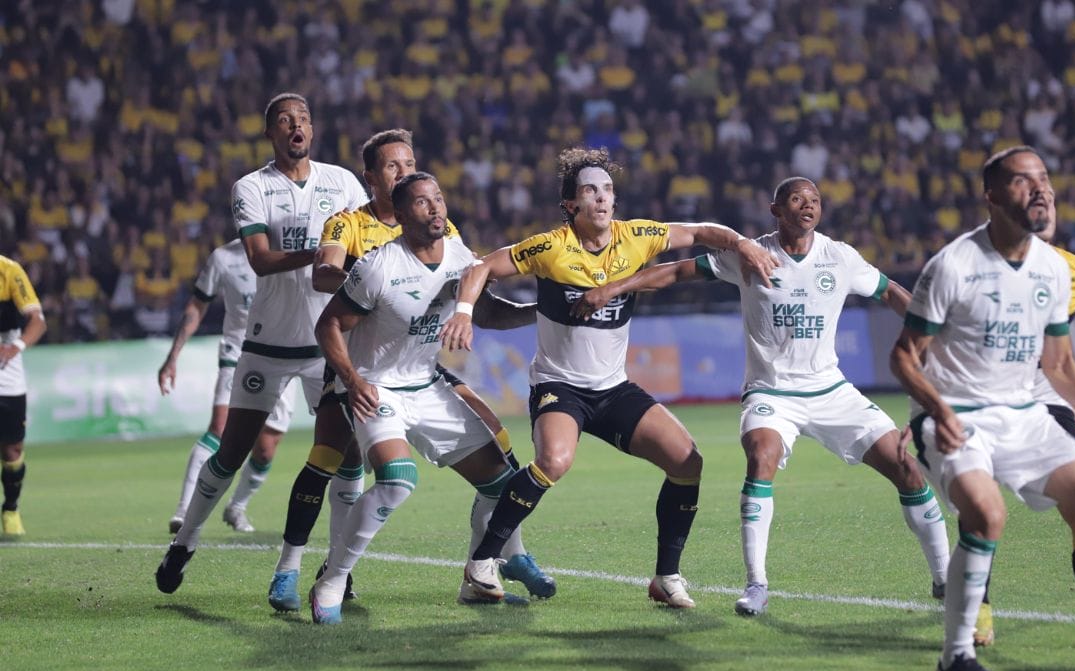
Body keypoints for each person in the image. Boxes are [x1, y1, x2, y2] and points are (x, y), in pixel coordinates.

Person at [570, 177, 950, 617]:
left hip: (832, 390)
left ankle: (944, 579)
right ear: (776, 209)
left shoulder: (839, 257)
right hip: (772, 392)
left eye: (815, 201)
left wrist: (927, 335)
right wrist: (610, 289)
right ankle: (757, 585)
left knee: (906, 468)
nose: (807, 206)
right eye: (796, 199)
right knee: (761, 456)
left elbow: (889, 291)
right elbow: (675, 271)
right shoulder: (750, 255)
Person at [439, 147, 778, 608]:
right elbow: (481, 266)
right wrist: (463, 312)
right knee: (554, 462)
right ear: (570, 205)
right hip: (560, 386)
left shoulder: (636, 236)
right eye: (589, 191)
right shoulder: (549, 247)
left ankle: (666, 577)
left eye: (607, 190)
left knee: (687, 462)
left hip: (613, 388)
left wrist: (742, 243)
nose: (601, 198)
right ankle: (481, 564)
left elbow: (699, 231)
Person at [889, 146, 1075, 671]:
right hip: (958, 415)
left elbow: (1058, 364)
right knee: (987, 513)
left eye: (1044, 179)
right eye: (1022, 181)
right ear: (991, 197)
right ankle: (957, 657)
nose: (1040, 189)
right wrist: (936, 410)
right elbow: (904, 355)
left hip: (1024, 411)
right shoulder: (952, 265)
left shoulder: (1053, 270)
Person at [269, 129, 553, 612]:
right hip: (376, 386)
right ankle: (330, 580)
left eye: (438, 198)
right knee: (393, 478)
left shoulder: (462, 257)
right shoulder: (376, 263)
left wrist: (543, 310)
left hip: (426, 382)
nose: (436, 208)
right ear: (400, 216)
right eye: (422, 203)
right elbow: (329, 323)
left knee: (503, 483)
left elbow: (486, 313)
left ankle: (481, 573)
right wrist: (355, 381)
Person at [155, 92, 369, 594]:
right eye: (285, 121)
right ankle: (185, 540)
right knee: (230, 453)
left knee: (349, 457)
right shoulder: (251, 187)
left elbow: (370, 241)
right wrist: (319, 255)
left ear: (312, 130)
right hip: (268, 343)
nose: (297, 126)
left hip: (328, 347)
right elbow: (259, 259)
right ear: (270, 132)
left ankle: (339, 567)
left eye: (304, 119)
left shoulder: (342, 183)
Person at [971, 199, 1075, 649]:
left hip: (1041, 392)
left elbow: (1049, 341)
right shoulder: (969, 263)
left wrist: (1069, 397)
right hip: (980, 393)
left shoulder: (1073, 269)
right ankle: (978, 611)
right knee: (981, 508)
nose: (1042, 213)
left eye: (1048, 205)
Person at [158, 240, 295, 536]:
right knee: (220, 429)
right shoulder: (222, 257)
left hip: (283, 353)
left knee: (266, 448)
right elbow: (197, 304)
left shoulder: (290, 246)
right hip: (239, 351)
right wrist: (173, 356)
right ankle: (183, 510)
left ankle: (236, 507)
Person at [0, 255, 47, 536]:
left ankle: (11, 507)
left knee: (12, 450)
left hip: (6, 372)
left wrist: (15, 346)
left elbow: (37, 320)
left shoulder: (10, 271)